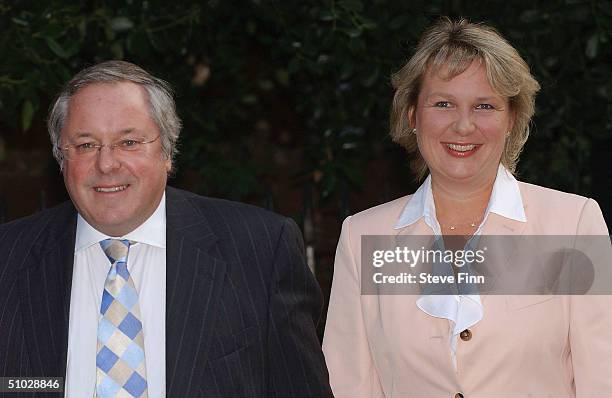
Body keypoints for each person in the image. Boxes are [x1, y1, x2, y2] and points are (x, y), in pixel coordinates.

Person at [0, 60, 332, 397]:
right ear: (61, 158)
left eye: (128, 142)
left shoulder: (260, 251)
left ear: (167, 152)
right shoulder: (8, 259)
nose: (106, 163)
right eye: (86, 145)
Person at [322, 18, 612, 397]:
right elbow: (349, 385)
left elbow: (603, 381)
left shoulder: (572, 224)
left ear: (512, 119)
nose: (463, 125)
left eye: (485, 106)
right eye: (443, 103)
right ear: (412, 116)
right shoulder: (365, 236)